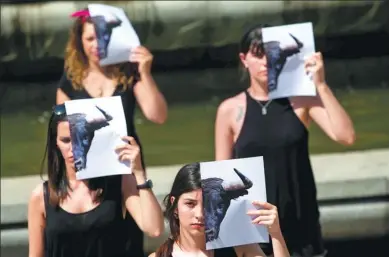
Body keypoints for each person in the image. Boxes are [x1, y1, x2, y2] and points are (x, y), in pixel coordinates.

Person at [214, 24, 356, 257]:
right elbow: (222, 176)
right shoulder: (230, 110)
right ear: (244, 59)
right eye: (258, 55)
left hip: (301, 222)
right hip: (254, 228)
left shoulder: (301, 101)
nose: (265, 62)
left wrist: (320, 85)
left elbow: (346, 136)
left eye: (272, 55)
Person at [56, 7, 168, 256]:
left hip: (125, 163)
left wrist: (145, 73)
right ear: (79, 41)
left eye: (103, 37)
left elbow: (157, 115)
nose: (97, 44)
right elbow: (61, 131)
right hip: (84, 163)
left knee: (128, 230)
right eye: (89, 38)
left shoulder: (128, 73)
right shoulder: (71, 79)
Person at [27, 104, 164, 257]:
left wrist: (138, 173)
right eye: (66, 140)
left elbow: (155, 229)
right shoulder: (41, 196)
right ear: (56, 143)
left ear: (93, 137)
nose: (74, 148)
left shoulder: (120, 182)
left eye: (81, 138)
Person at [149, 162, 290, 257]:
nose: (200, 214)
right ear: (175, 206)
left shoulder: (240, 248)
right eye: (190, 204)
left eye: (209, 205)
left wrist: (276, 234)